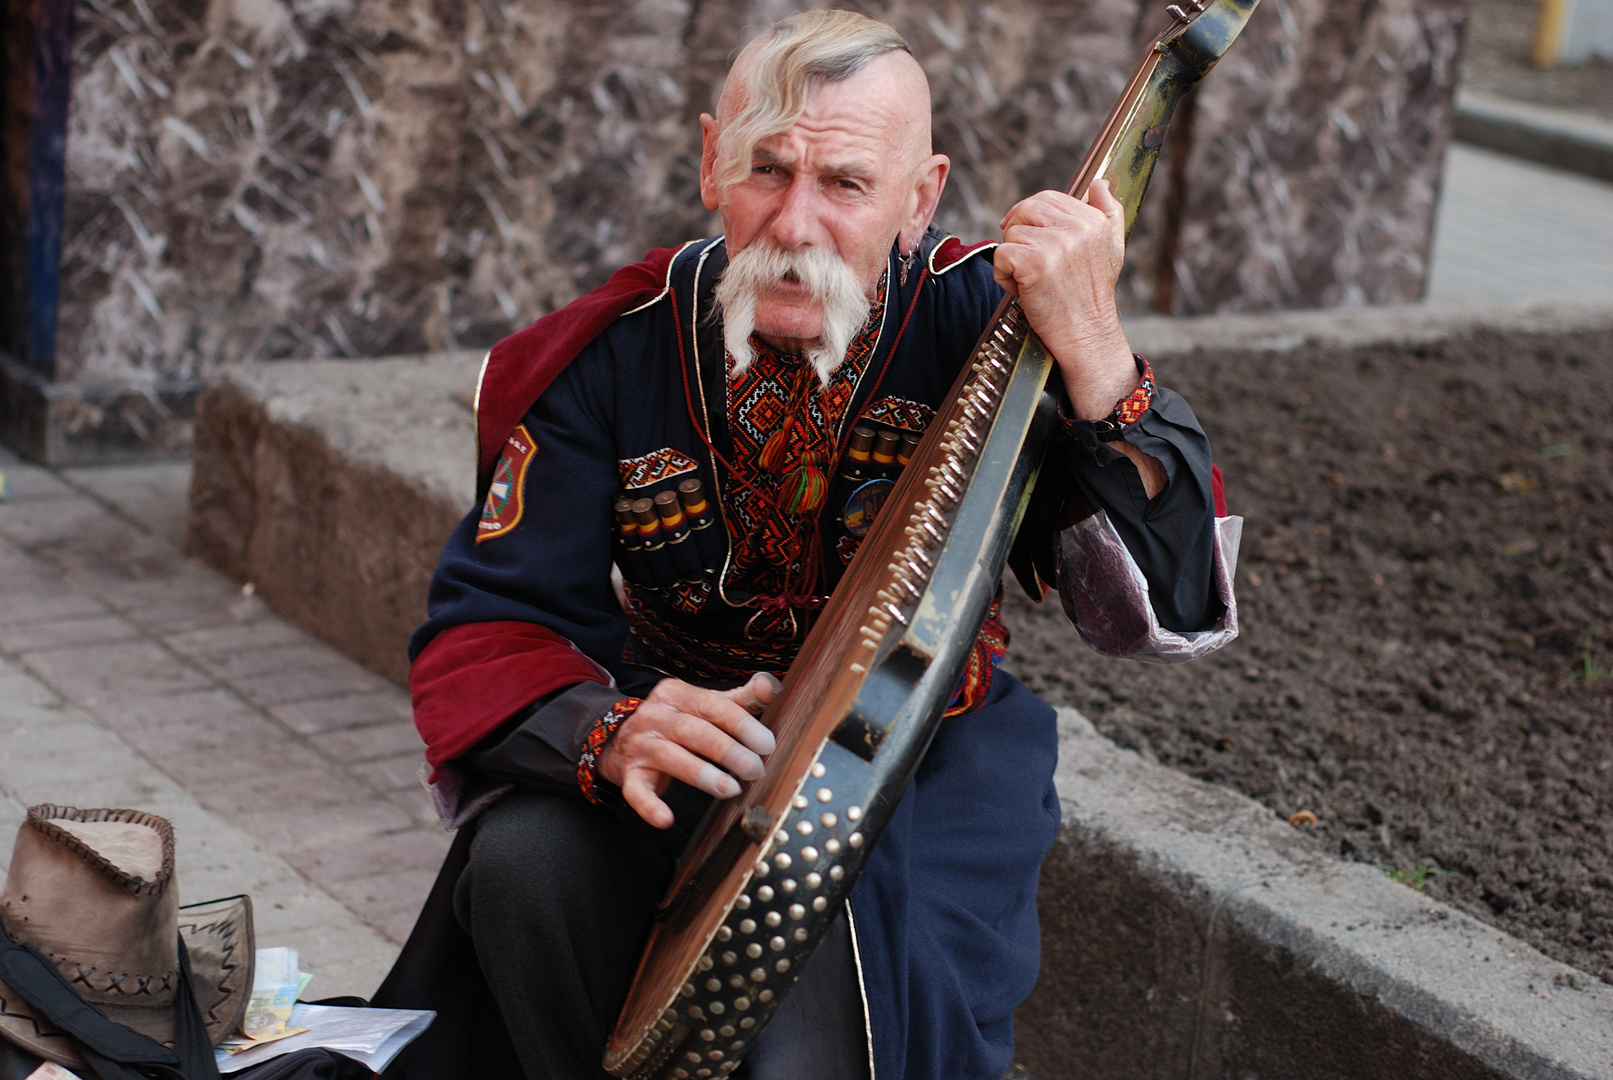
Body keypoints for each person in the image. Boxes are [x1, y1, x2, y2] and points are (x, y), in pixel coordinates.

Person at [383, 10, 1235, 1080]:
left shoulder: (995, 325)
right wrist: (606, 730)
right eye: (764, 169)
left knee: (825, 1022)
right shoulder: (613, 350)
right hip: (695, 749)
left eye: (843, 184)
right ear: (709, 162)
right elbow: (489, 622)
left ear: (918, 197)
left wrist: (1095, 347)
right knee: (521, 866)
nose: (792, 223)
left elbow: (1155, 607)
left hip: (922, 761)